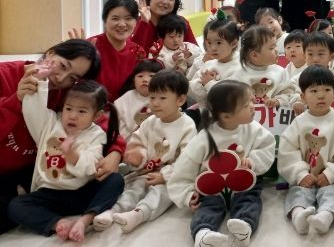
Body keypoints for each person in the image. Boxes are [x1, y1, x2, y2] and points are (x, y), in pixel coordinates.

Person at [0, 39, 124, 235]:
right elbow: (31, 110)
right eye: (63, 66)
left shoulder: (67, 94)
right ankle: (51, 219)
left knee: (114, 180)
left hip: (42, 174)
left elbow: (99, 122)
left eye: (73, 77)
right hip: (12, 173)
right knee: (12, 209)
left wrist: (116, 152)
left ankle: (86, 217)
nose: (61, 78)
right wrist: (16, 100)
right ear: (50, 53)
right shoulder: (5, 74)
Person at [167, 81, 275, 247]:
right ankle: (203, 234)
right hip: (213, 187)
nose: (253, 107)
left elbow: (267, 146)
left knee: (249, 200)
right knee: (208, 206)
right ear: (226, 116)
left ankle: (244, 228)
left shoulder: (254, 129)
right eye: (246, 105)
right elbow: (184, 167)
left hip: (243, 183)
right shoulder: (205, 137)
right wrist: (186, 194)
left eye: (251, 101)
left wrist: (252, 161)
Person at [93, 71, 196, 233]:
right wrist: (137, 156)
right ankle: (113, 211)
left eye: (162, 98)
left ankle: (139, 214)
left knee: (163, 193)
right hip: (147, 171)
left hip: (172, 175)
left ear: (180, 100)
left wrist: (165, 176)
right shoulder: (150, 121)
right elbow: (137, 141)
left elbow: (187, 159)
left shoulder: (187, 125)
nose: (155, 103)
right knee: (134, 187)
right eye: (152, 97)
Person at [278, 66, 334, 236]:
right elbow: (288, 150)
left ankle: (325, 216)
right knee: (297, 193)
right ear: (303, 97)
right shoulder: (299, 122)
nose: (321, 96)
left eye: (327, 90)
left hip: (330, 179)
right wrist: (300, 174)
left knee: (333, 194)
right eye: (314, 91)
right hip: (305, 177)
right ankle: (298, 215)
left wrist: (331, 174)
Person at [71, 0, 146, 102]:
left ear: (136, 21)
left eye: (128, 18)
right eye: (115, 18)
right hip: (93, 107)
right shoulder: (90, 46)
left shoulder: (138, 52)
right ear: (105, 20)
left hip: (127, 109)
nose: (122, 24)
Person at [236, 26, 298, 108]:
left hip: (274, 114)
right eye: (271, 48)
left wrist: (278, 101)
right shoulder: (239, 75)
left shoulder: (280, 72)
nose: (276, 50)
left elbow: (288, 92)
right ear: (254, 55)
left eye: (275, 46)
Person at [133, 0, 198, 53]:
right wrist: (144, 23)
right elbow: (132, 54)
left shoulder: (180, 23)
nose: (165, 1)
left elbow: (196, 52)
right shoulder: (136, 23)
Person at [189, 19, 241, 107]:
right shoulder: (209, 64)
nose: (213, 48)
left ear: (234, 43)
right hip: (208, 112)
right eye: (209, 42)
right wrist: (202, 83)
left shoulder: (240, 66)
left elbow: (230, 98)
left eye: (219, 43)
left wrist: (209, 83)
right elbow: (191, 89)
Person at [114, 60, 163, 142]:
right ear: (133, 80)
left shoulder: (164, 98)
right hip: (126, 141)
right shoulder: (127, 97)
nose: (145, 79)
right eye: (140, 76)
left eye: (151, 76)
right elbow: (114, 121)